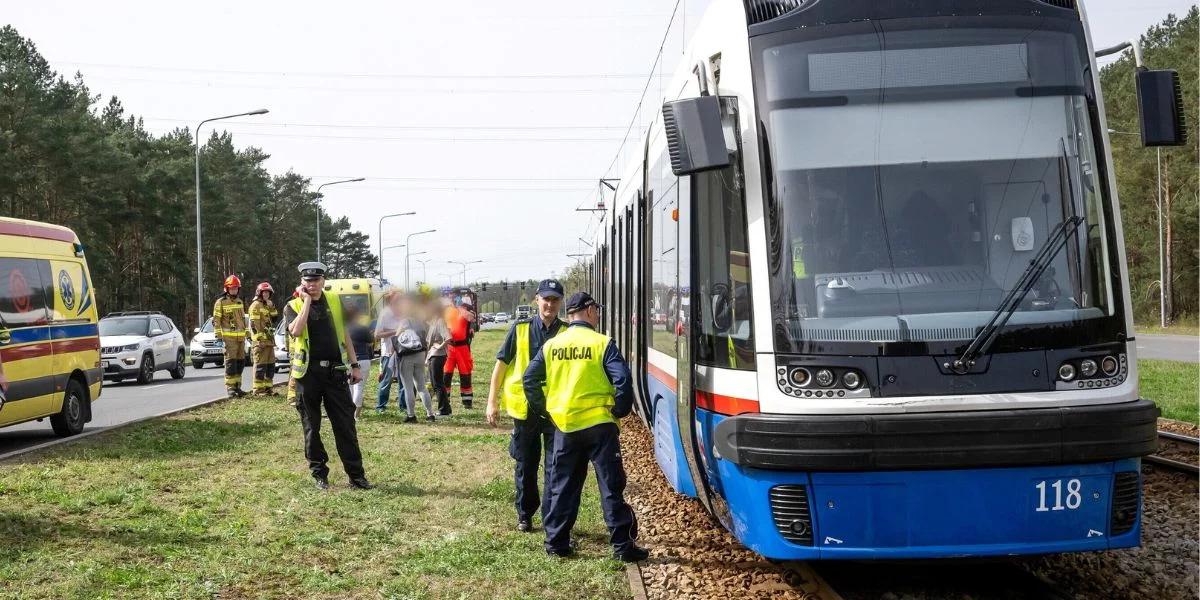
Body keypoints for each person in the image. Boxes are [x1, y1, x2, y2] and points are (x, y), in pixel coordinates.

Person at [524, 291, 648, 562]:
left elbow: (529, 380)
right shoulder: (602, 343)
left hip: (566, 426)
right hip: (600, 427)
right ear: (589, 310)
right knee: (611, 487)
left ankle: (556, 543)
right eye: (597, 309)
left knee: (563, 485)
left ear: (569, 313)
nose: (599, 314)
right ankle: (622, 548)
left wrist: (547, 411)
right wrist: (620, 410)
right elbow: (623, 381)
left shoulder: (552, 346)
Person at [284, 261, 373, 490]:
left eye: (316, 280)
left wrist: (354, 365)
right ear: (302, 283)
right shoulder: (293, 305)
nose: (312, 285)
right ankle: (319, 475)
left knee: (345, 425)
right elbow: (296, 330)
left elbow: (346, 335)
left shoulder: (334, 301)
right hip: (307, 374)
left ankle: (356, 476)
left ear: (323, 281)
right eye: (307, 281)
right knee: (312, 427)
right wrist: (305, 302)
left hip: (334, 372)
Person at [486, 279, 566, 533]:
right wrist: (492, 401)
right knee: (526, 465)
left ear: (560, 302)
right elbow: (501, 365)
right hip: (525, 409)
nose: (550, 304)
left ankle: (551, 517)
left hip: (555, 411)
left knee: (555, 468)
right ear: (537, 300)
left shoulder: (566, 332)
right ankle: (525, 513)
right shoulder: (520, 329)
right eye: (546, 299)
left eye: (554, 300)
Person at [394, 294, 435, 423]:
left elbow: (397, 337)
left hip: (407, 355)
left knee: (408, 387)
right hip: (420, 354)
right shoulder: (421, 322)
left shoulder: (405, 321)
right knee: (421, 386)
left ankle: (411, 415)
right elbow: (426, 339)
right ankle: (430, 414)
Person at [213, 275, 249, 397]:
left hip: (240, 339)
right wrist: (218, 336)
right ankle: (230, 389)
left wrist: (247, 333)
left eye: (236, 288)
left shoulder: (239, 302)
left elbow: (243, 320)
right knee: (230, 363)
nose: (234, 290)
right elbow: (216, 320)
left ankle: (238, 387)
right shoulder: (220, 302)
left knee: (240, 363)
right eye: (232, 288)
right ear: (226, 289)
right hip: (229, 340)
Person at [373, 291, 408, 414]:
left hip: (403, 351)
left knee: (403, 380)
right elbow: (377, 334)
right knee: (386, 381)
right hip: (388, 353)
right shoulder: (385, 314)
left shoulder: (405, 313)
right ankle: (381, 406)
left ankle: (403, 406)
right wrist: (396, 331)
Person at [443, 297, 477, 409]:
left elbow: (471, 318)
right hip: (449, 347)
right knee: (446, 374)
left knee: (465, 374)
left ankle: (467, 402)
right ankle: (445, 400)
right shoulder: (447, 311)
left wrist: (460, 308)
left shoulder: (466, 312)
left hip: (462, 347)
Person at [248, 282, 279, 396]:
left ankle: (268, 389)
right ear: (259, 293)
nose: (266, 294)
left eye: (268, 292)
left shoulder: (267, 305)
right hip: (261, 342)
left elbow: (275, 318)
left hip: (269, 342)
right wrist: (259, 340)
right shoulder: (255, 305)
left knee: (270, 366)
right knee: (260, 366)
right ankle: (258, 390)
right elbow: (253, 325)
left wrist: (272, 306)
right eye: (264, 292)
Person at [345, 306, 374, 420]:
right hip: (363, 359)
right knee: (359, 387)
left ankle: (349, 412)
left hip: (348, 361)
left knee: (350, 386)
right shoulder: (363, 328)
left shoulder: (343, 328)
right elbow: (371, 342)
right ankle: (356, 414)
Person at [425, 298, 452, 415]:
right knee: (436, 383)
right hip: (433, 355)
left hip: (438, 355)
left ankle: (444, 410)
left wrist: (439, 346)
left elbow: (448, 337)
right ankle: (446, 408)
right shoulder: (434, 321)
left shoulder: (440, 321)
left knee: (438, 383)